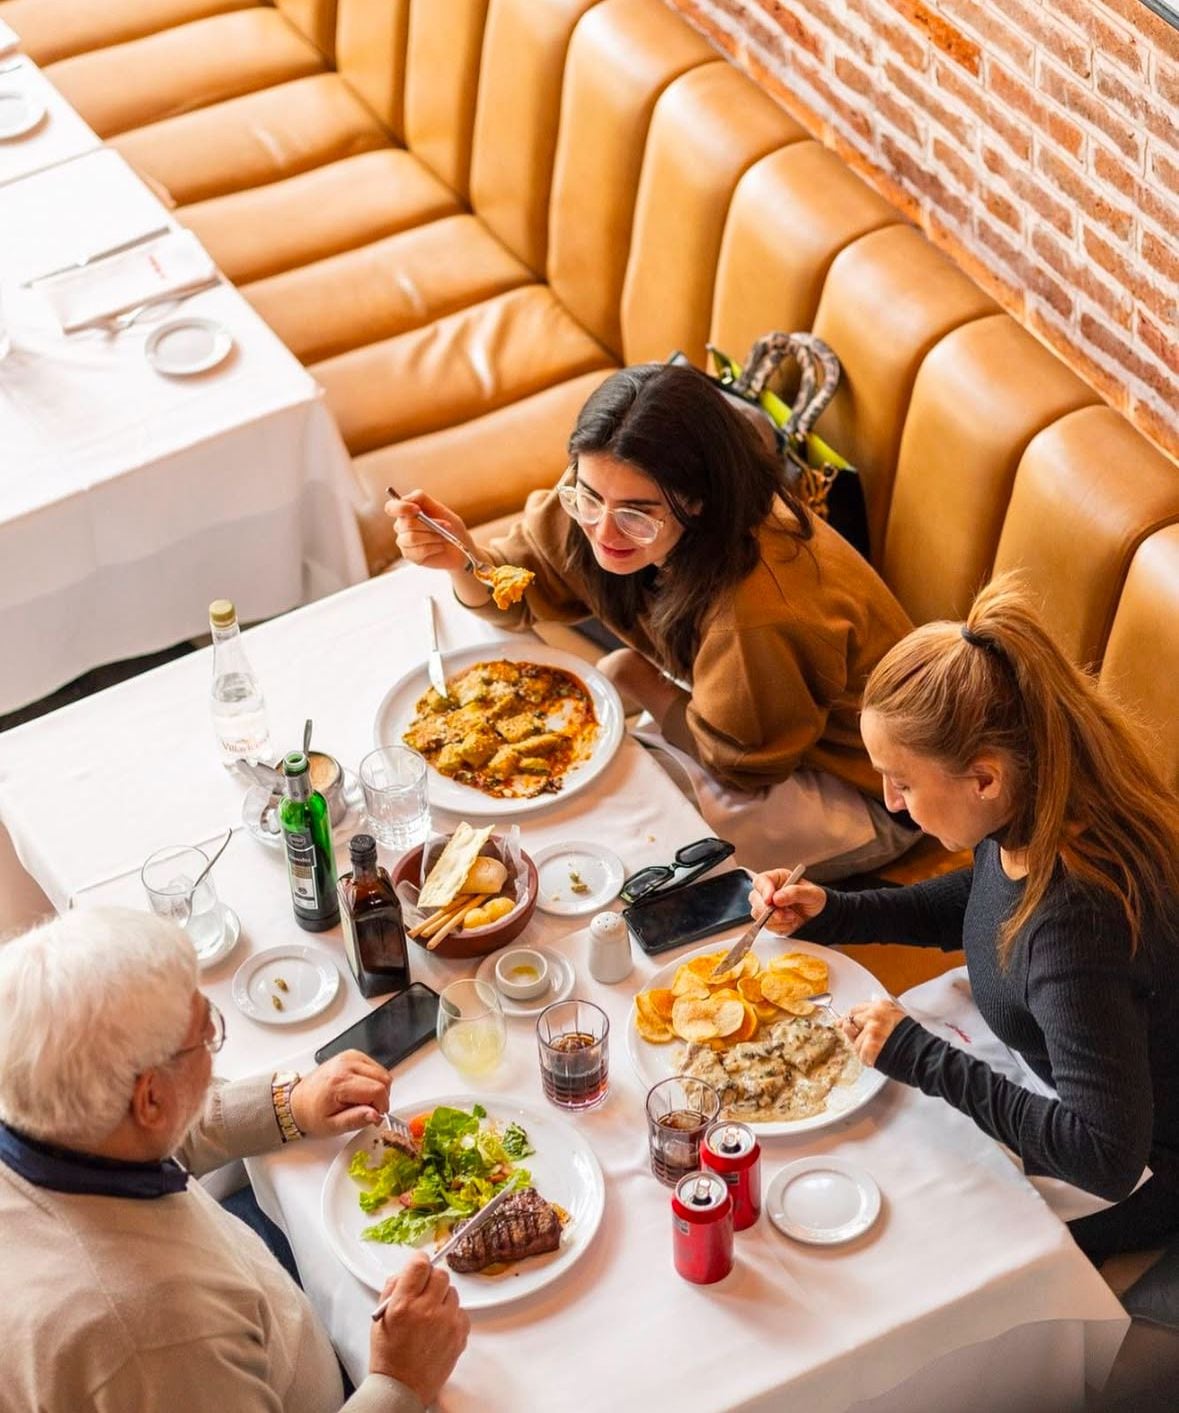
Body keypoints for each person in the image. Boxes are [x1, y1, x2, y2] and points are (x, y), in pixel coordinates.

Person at [751, 575, 1179, 1262]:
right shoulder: (1039, 804)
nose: (890, 803)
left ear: (983, 778)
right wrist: (833, 911)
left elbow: (1103, 1156)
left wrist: (918, 1055)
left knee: (888, 1234)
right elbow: (983, 903)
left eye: (903, 781)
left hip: (1136, 1169)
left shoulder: (1076, 929)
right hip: (1039, 1066)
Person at [388, 361, 915, 878]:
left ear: (701, 501)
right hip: (742, 721)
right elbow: (521, 586)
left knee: (618, 835)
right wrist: (462, 560)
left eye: (636, 515)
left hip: (867, 788)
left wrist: (633, 678)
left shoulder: (757, 611)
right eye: (586, 496)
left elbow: (743, 765)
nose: (602, 531)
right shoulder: (606, 491)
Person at [0, 907, 469, 1412]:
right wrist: (399, 1382)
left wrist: (288, 1106)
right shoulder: (159, 1339)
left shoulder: (44, 1111)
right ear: (151, 1099)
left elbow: (128, 1131)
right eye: (207, 1033)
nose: (214, 1046)